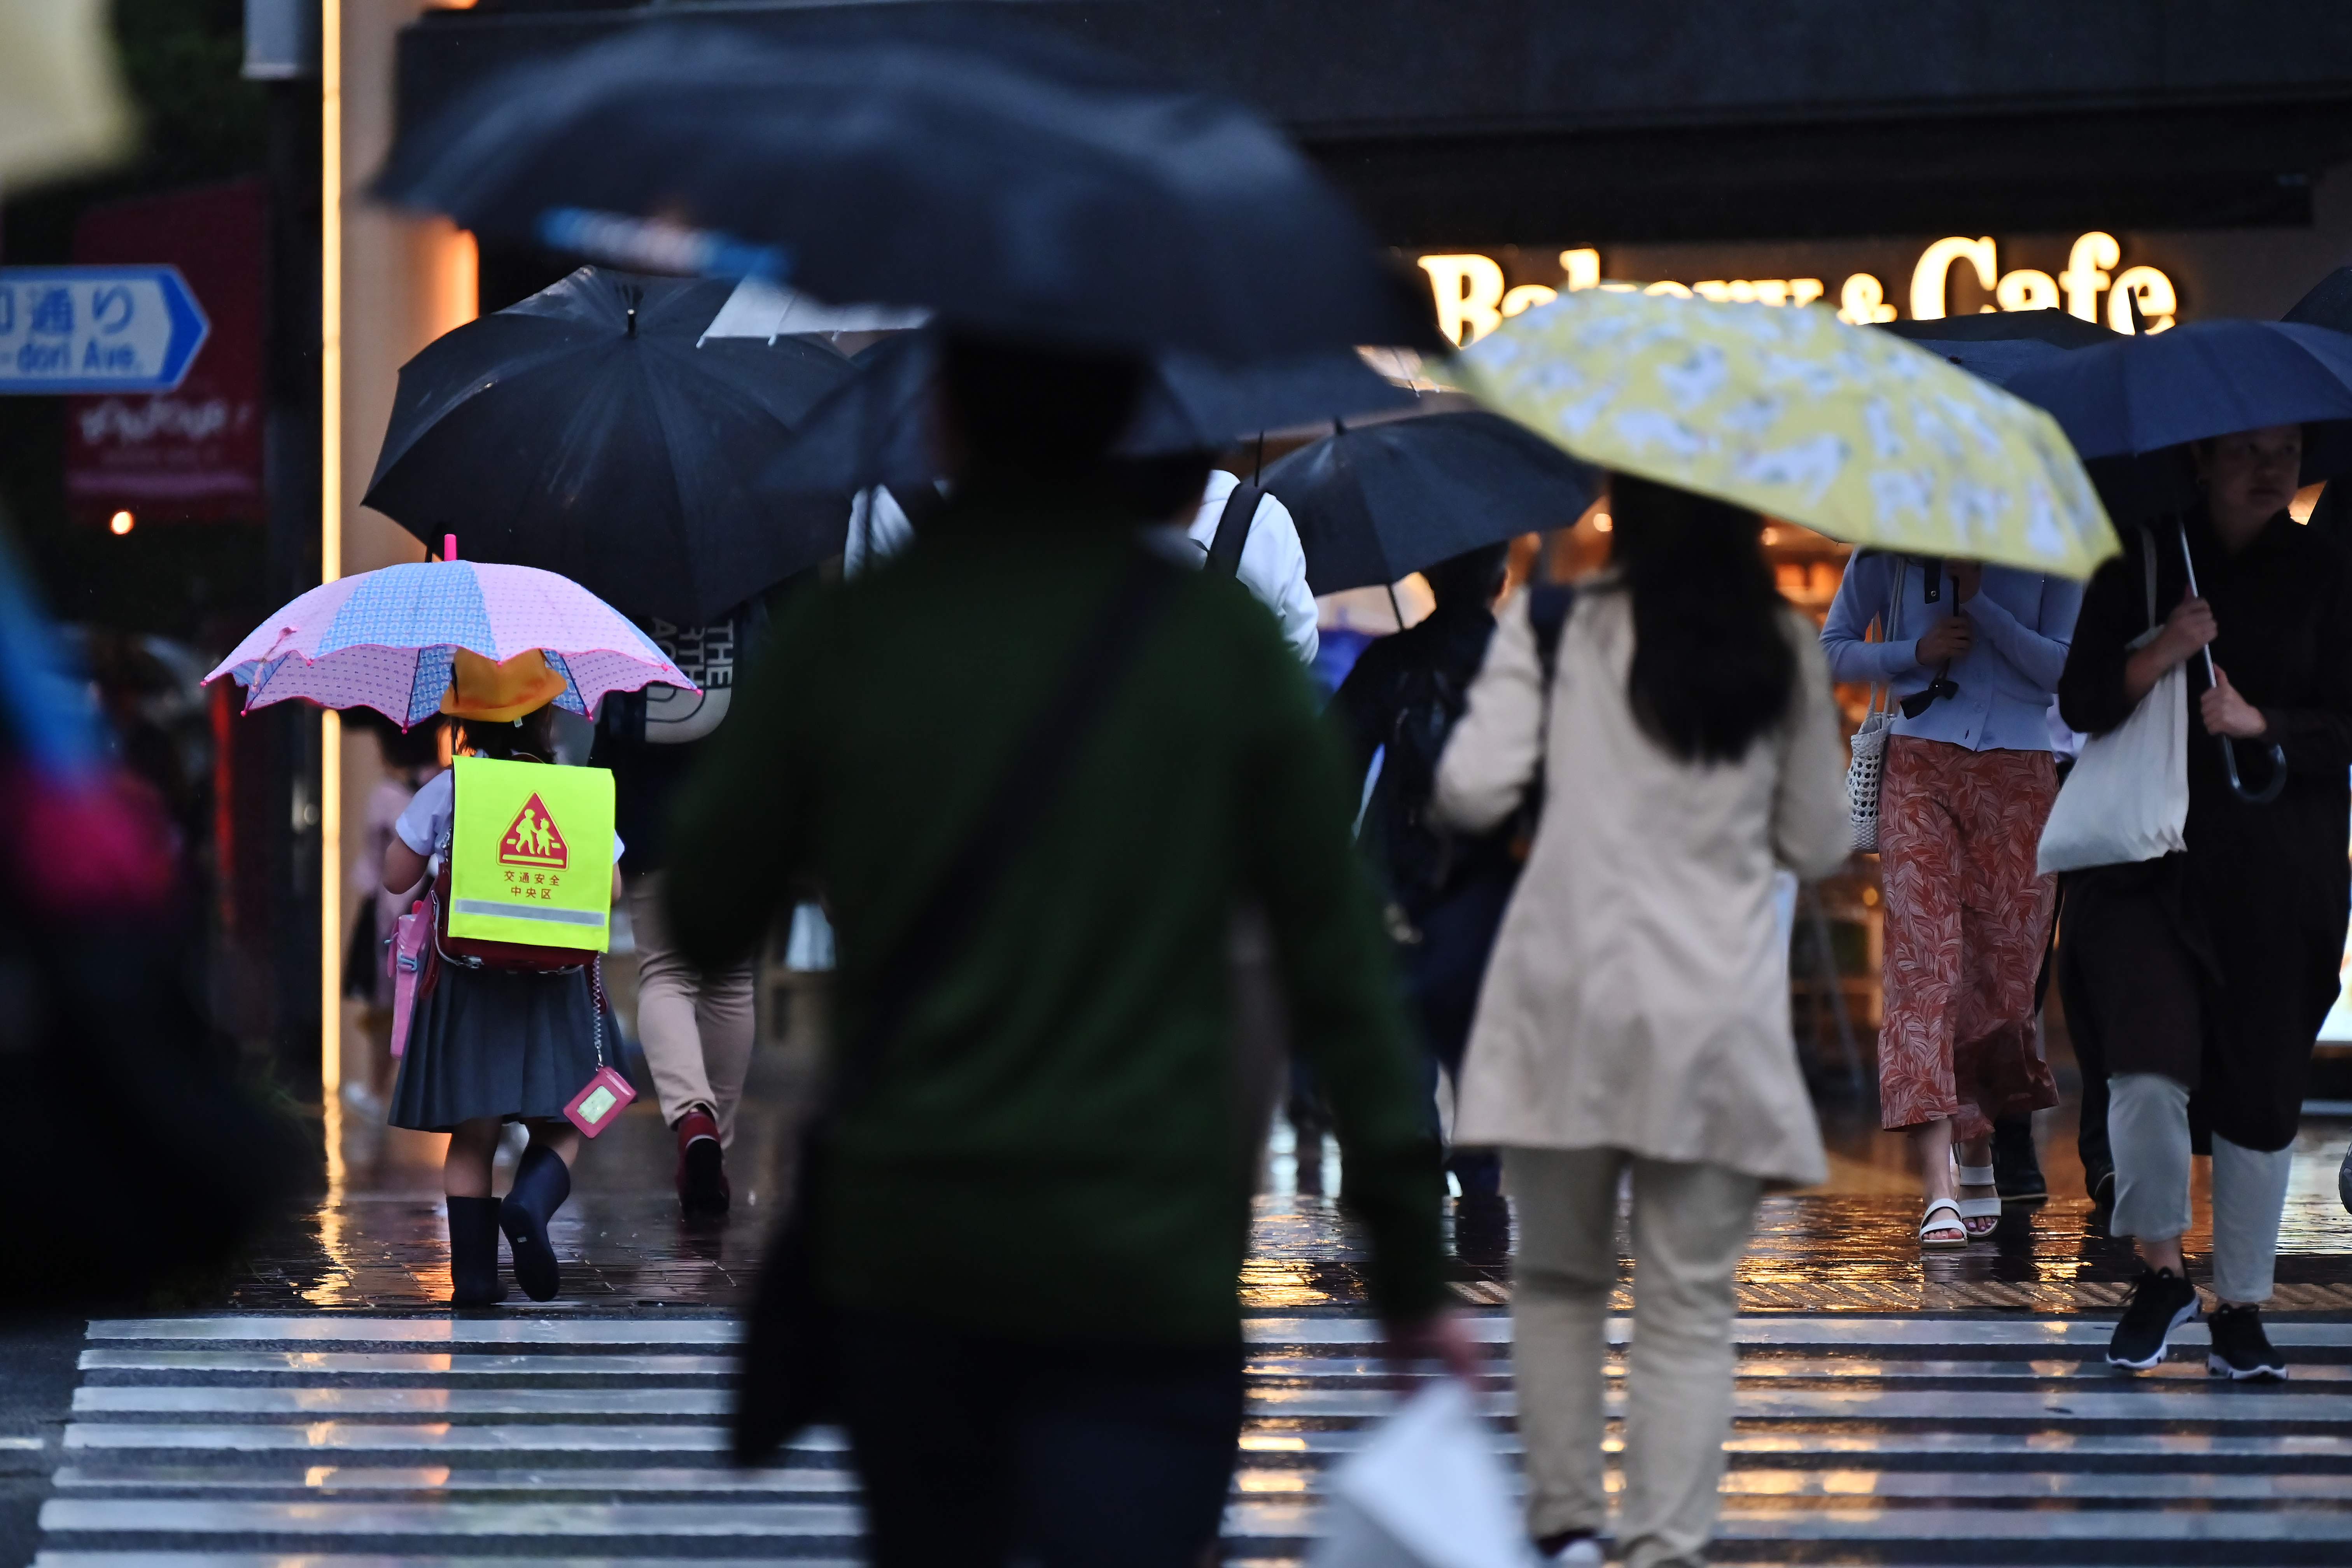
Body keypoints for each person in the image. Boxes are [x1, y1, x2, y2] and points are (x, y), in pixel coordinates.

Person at [665, 330, 1465, 1568]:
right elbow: (1345, 970)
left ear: (948, 423)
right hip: (1146, 1247)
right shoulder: (1223, 653)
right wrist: (1410, 1264)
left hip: (915, 1252)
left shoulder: (865, 633)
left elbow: (709, 909)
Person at [1435, 474, 1847, 1568]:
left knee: (1560, 1279)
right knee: (1688, 1302)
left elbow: (1472, 792)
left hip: (1563, 995)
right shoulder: (1780, 644)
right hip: (1711, 1013)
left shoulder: (1558, 622)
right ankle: (1664, 1546)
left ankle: (1567, 1529)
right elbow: (1817, 842)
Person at [2056, 424, 2352, 1379]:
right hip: (2147, 866)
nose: (2272, 469)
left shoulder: (2325, 569)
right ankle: (2159, 1273)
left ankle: (2243, 1306)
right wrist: (2165, 647)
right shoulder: (2143, 560)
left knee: (2260, 1093)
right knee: (2142, 1074)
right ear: (2199, 460)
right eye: (2247, 451)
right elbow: (2082, 700)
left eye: (2288, 452)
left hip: (2280, 871)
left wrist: (2261, 721)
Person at [1820, 551, 2080, 1248]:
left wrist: (1983, 602)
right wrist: (1914, 650)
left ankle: (1976, 1141)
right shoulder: (1887, 546)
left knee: (2003, 981)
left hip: (2022, 772)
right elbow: (1832, 651)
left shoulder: (2048, 544)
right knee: (1923, 969)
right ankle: (1937, 1184)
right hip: (1918, 762)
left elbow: (2063, 671)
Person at [382, 696, 625, 1308]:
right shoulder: (571, 790)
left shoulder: (452, 788)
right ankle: (529, 1203)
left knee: (473, 1137)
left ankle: (476, 1280)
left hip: (470, 981)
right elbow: (615, 888)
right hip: (558, 982)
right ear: (546, 722)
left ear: (463, 725)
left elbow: (393, 876)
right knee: (569, 1117)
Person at [1331, 542, 1515, 1260]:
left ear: (1427, 577)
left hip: (1397, 882)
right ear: (1500, 581)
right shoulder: (1530, 666)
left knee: (1402, 1039)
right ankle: (1482, 1195)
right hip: (1493, 883)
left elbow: (1332, 764)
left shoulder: (1392, 661)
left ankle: (1412, 1205)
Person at [593, 601, 769, 1220]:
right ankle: (713, 1144)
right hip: (744, 791)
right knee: (731, 979)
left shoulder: (620, 551)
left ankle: (692, 1116)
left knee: (665, 971)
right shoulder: (767, 547)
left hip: (647, 792)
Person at [348, 718, 446, 1116]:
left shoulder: (386, 795)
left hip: (396, 918)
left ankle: (377, 1090)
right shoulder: (446, 787)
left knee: (388, 1003)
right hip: (440, 913)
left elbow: (378, 870)